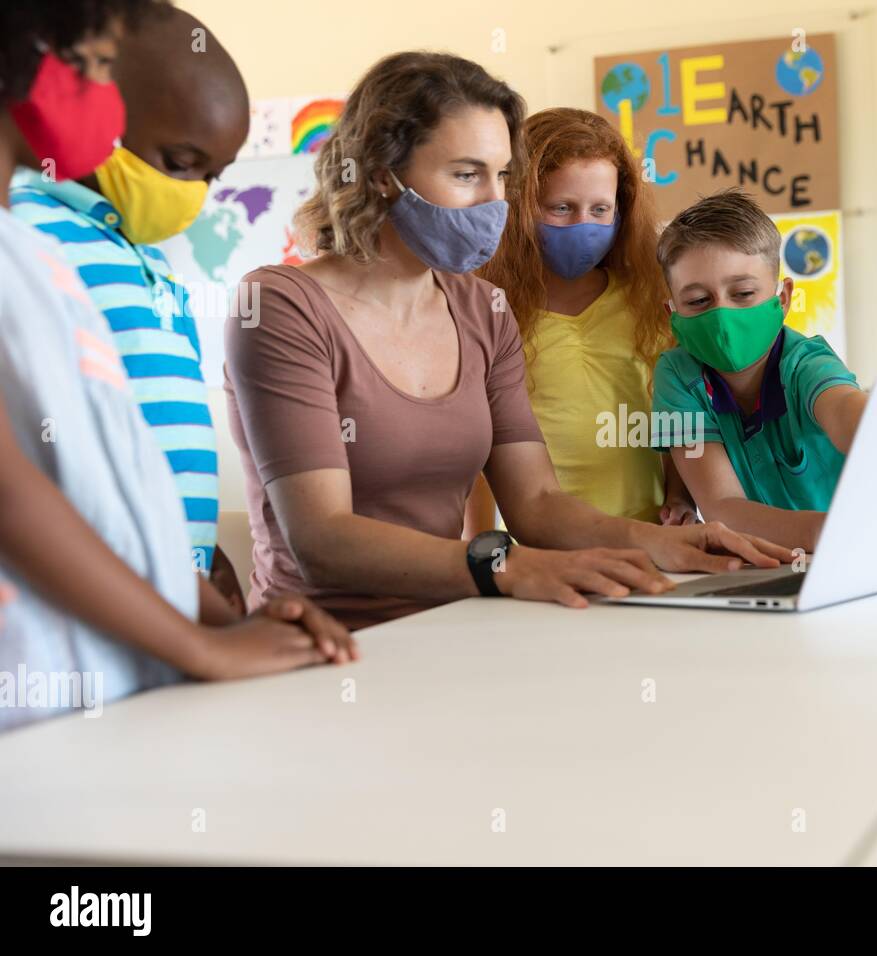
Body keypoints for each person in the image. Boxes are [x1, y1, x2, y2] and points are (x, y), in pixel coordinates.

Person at [224, 52, 790, 631]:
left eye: (503, 177)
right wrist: (504, 565)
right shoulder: (279, 305)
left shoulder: (482, 309)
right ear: (379, 174)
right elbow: (322, 538)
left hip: (453, 624)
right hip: (317, 641)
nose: (494, 202)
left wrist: (668, 544)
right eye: (467, 175)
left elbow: (538, 504)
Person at [0, 0, 353, 732]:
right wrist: (201, 644)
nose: (101, 97)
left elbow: (102, 487)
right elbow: (13, 493)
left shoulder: (33, 262)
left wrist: (207, 611)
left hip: (119, 688)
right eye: (93, 67)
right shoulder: (40, 242)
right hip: (38, 710)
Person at [10, 6, 246, 608]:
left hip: (174, 587)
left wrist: (205, 555)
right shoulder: (29, 235)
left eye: (211, 178)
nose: (191, 195)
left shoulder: (154, 265)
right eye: (181, 163)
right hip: (87, 593)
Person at [652, 190, 877, 566]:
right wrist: (846, 531)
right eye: (699, 301)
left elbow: (854, 418)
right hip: (789, 563)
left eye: (744, 293)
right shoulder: (676, 374)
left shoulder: (806, 363)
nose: (722, 316)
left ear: (782, 298)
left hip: (866, 557)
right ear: (672, 312)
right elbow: (723, 507)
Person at [476, 107, 695, 527]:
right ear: (519, 206)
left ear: (621, 209)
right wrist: (482, 548)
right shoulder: (489, 311)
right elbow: (476, 448)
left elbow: (679, 415)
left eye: (600, 209)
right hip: (542, 550)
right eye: (561, 207)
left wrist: (681, 499)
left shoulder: (650, 301)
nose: (583, 225)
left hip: (651, 537)